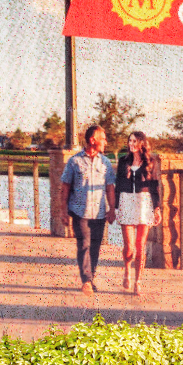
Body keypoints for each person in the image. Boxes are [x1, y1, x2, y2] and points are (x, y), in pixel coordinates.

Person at [60, 124, 116, 294]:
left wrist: (112, 209)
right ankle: (86, 280)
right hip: (80, 212)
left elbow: (110, 188)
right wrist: (63, 211)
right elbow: (65, 187)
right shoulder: (74, 161)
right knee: (84, 244)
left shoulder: (105, 163)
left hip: (99, 213)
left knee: (95, 247)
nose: (105, 142)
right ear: (92, 140)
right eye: (103, 139)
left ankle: (90, 279)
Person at [115, 130, 161, 295]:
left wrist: (157, 208)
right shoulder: (123, 161)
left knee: (140, 246)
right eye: (130, 141)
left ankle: (138, 281)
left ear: (142, 143)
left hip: (144, 203)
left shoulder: (151, 162)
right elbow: (118, 185)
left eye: (135, 141)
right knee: (129, 247)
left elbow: (154, 186)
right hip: (126, 201)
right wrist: (115, 207)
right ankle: (127, 270)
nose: (131, 144)